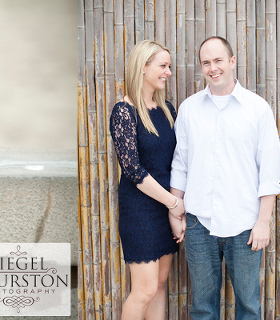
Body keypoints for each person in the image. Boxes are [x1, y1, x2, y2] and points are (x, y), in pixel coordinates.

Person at [169, 36, 280, 319]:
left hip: (244, 225)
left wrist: (263, 222)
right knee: (203, 308)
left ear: (232, 61)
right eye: (206, 62)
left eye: (218, 60)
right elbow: (180, 164)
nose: (212, 67)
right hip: (198, 224)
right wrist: (175, 210)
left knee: (248, 306)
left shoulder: (257, 109)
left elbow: (269, 170)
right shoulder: (189, 109)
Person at [109, 40, 186, 320]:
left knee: (160, 285)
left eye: (169, 66)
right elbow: (132, 169)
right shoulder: (124, 112)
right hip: (140, 211)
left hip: (166, 209)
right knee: (143, 290)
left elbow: (176, 162)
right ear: (143, 67)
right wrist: (173, 203)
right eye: (163, 66)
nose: (168, 72)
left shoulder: (167, 109)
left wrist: (173, 209)